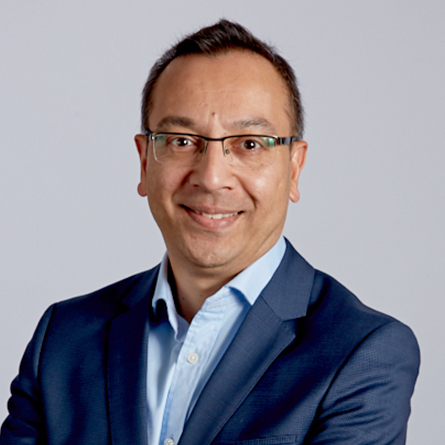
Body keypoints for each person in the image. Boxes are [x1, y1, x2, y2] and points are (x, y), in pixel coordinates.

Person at [0, 20, 420, 445]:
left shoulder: (362, 353)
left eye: (249, 144)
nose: (212, 177)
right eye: (182, 141)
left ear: (294, 169)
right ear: (144, 162)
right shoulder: (63, 339)